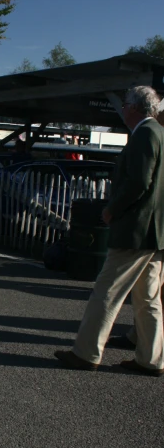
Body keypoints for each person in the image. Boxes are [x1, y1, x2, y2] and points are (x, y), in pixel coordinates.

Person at [55, 85, 164, 377]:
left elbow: (139, 182)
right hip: (156, 232)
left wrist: (112, 209)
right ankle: (151, 359)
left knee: (106, 291)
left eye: (126, 105)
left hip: (136, 230)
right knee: (148, 298)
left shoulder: (145, 134)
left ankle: (87, 352)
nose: (123, 110)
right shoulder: (160, 133)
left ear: (134, 108)